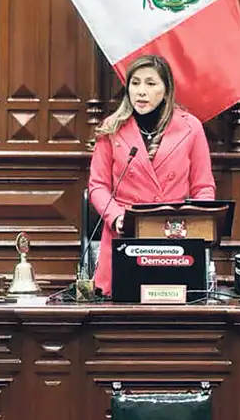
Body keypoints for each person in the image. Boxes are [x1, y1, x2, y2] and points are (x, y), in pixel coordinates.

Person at [88, 54, 216, 296]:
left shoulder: (191, 128)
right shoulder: (112, 128)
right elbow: (98, 186)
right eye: (135, 83)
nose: (141, 92)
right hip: (125, 236)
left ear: (166, 91)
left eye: (150, 83)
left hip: (172, 237)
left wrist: (196, 224)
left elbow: (203, 188)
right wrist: (116, 217)